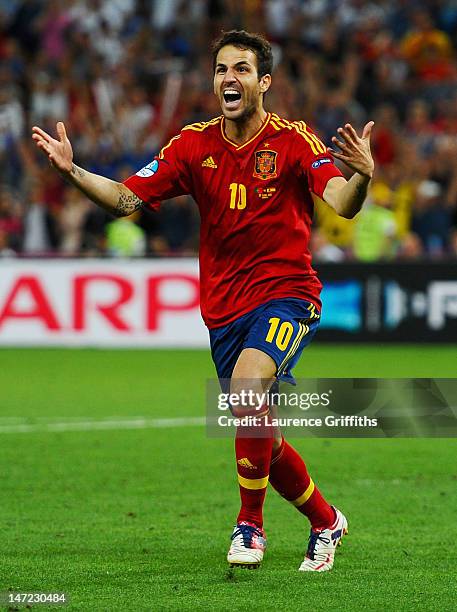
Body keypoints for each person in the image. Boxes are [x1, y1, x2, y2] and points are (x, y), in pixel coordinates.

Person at [32, 30, 375, 572]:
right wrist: (74, 171)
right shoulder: (192, 145)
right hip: (224, 310)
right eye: (221, 70)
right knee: (262, 432)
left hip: (287, 294)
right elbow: (126, 199)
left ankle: (249, 527)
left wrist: (362, 176)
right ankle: (327, 521)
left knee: (245, 389)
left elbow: (342, 202)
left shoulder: (295, 142)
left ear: (264, 82)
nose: (228, 79)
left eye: (241, 69)